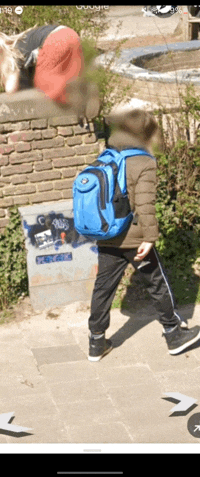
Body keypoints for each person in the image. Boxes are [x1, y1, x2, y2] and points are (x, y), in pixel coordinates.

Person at [88, 108, 200, 361]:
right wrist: (150, 237)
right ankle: (173, 334)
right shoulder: (143, 162)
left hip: (107, 235)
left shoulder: (105, 157)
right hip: (135, 237)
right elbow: (146, 205)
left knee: (103, 288)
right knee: (157, 283)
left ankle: (96, 342)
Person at [0, 24, 99, 120]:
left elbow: (11, 89)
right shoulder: (25, 41)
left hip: (57, 40)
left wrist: (4, 76)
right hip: (71, 35)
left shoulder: (16, 52)